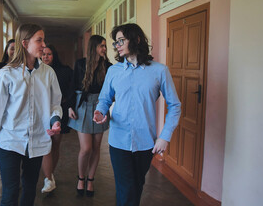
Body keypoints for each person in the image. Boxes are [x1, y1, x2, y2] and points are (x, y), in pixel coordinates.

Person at [93, 23, 181, 206]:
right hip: (118, 141)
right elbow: (104, 99)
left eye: (121, 40)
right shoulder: (113, 71)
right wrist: (100, 111)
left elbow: (175, 105)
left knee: (137, 186)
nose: (117, 45)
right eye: (116, 42)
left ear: (137, 40)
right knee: (125, 188)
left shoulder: (159, 71)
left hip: (145, 142)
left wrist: (165, 136)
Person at [0, 24, 62, 206]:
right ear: (25, 43)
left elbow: (54, 104)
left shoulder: (48, 73)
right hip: (10, 141)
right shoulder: (5, 74)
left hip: (37, 140)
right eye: (39, 40)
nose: (44, 44)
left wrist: (55, 120)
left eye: (44, 40)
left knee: (29, 189)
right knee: (10, 192)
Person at [68, 35, 112, 197]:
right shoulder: (80, 64)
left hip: (100, 106)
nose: (104, 49)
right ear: (94, 47)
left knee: (95, 148)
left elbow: (111, 90)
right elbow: (72, 86)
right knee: (86, 148)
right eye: (102, 46)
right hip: (82, 105)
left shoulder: (108, 66)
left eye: (105, 46)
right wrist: (70, 107)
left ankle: (91, 179)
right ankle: (81, 178)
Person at [40, 44, 73, 193]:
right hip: (42, 112)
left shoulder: (64, 71)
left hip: (58, 110)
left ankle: (50, 174)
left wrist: (67, 103)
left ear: (54, 56)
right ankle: (48, 176)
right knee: (47, 145)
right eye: (44, 54)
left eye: (49, 54)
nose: (46, 57)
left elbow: (70, 90)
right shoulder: (38, 72)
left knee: (56, 145)